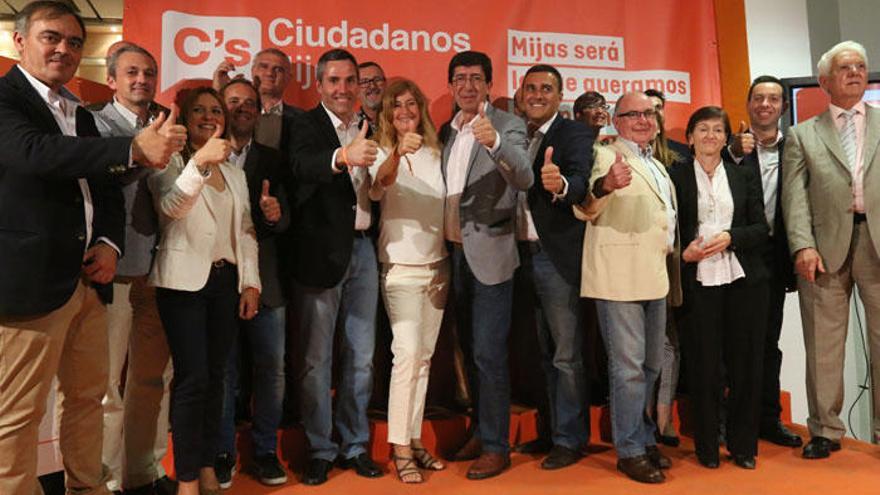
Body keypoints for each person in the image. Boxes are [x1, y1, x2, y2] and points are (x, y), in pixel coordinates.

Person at [0, 2, 182, 494]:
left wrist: (108, 243)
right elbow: (34, 154)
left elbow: (102, 187)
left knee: (86, 401)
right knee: (16, 415)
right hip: (31, 282)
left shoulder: (77, 112)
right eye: (51, 37)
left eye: (74, 42)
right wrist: (133, 148)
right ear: (20, 42)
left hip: (88, 281)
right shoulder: (5, 99)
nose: (64, 49)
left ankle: (88, 487)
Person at [148, 86, 261, 495]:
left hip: (225, 283)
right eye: (199, 109)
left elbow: (246, 230)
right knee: (193, 379)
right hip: (183, 283)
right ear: (185, 115)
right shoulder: (167, 158)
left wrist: (251, 282)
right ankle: (188, 478)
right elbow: (171, 208)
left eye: (216, 110)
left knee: (218, 380)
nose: (209, 116)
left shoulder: (235, 171)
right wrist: (198, 162)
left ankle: (210, 465)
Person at [287, 48, 382, 486]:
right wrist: (342, 157)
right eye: (334, 82)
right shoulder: (302, 124)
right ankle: (321, 449)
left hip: (365, 251)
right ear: (321, 85)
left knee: (361, 358)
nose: (342, 90)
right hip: (320, 255)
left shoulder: (373, 125)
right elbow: (299, 166)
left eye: (350, 82)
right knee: (315, 361)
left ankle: (356, 445)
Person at [783, 40, 880, 458]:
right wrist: (803, 245)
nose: (855, 72)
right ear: (824, 81)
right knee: (823, 342)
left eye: (860, 66)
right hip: (823, 250)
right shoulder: (802, 134)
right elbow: (795, 197)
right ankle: (825, 430)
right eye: (844, 68)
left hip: (877, 243)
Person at [575, 91, 678, 484]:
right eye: (632, 114)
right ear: (615, 121)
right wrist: (604, 186)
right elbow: (581, 205)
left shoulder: (656, 163)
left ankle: (644, 435)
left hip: (655, 275)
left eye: (648, 113)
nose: (642, 120)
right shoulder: (603, 154)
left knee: (651, 365)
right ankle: (630, 449)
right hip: (617, 277)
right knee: (629, 369)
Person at [90, 42, 177, 495]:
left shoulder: (167, 121)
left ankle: (145, 470)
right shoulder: (94, 122)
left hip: (160, 271)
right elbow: (99, 183)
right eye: (131, 73)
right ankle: (102, 479)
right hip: (115, 270)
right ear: (112, 80)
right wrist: (142, 154)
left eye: (148, 73)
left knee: (153, 379)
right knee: (106, 384)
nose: (141, 80)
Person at [441, 50, 532, 480]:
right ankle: (481, 428)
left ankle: (497, 446)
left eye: (476, 78)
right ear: (451, 86)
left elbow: (525, 176)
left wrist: (493, 140)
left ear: (490, 85)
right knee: (469, 353)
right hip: (454, 256)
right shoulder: (447, 131)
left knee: (489, 353)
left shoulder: (508, 124)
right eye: (459, 79)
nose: (468, 86)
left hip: (492, 254)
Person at [670, 106, 770, 469]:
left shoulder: (742, 175)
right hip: (697, 283)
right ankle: (707, 447)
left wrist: (731, 237)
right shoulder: (674, 175)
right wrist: (686, 253)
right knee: (704, 367)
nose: (710, 136)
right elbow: (666, 230)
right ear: (690, 137)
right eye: (703, 129)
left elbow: (761, 229)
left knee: (746, 366)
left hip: (743, 281)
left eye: (717, 130)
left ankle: (743, 447)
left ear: (726, 138)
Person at [366, 78, 449, 484]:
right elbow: (378, 185)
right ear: (386, 112)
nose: (404, 111)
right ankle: (399, 448)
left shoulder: (437, 150)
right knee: (406, 355)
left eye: (411, 103)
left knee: (424, 360)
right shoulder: (379, 150)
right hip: (400, 269)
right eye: (396, 105)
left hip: (439, 268)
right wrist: (398, 152)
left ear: (421, 108)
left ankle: (414, 438)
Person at [214, 79, 292, 488]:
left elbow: (287, 221)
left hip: (268, 281)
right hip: (216, 280)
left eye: (249, 103)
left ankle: (265, 452)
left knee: (270, 369)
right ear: (221, 108)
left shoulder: (274, 161)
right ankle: (223, 452)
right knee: (224, 371)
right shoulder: (205, 155)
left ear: (258, 112)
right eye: (233, 101)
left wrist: (274, 214)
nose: (242, 108)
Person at [517, 64, 593, 470]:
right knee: (541, 353)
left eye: (546, 88)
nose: (537, 94)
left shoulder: (573, 133)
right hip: (518, 257)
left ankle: (570, 439)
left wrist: (561, 185)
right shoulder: (516, 133)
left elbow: (580, 181)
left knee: (566, 354)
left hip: (555, 258)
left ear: (559, 95)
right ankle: (550, 432)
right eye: (530, 88)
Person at [725, 75, 803, 448]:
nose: (766, 105)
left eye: (773, 99)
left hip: (776, 259)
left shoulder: (797, 148)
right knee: (734, 341)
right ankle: (732, 421)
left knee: (769, 342)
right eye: (759, 98)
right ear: (749, 104)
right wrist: (735, 154)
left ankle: (768, 419)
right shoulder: (729, 148)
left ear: (783, 107)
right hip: (734, 255)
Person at [649, 108, 684, 448]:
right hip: (638, 268)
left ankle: (664, 417)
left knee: (669, 344)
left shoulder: (678, 160)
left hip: (676, 265)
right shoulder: (619, 157)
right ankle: (646, 419)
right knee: (644, 350)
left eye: (655, 113)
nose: (649, 120)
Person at [214, 47, 303, 153]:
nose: (270, 73)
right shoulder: (229, 108)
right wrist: (219, 94)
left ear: (289, 78)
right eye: (264, 66)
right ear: (253, 71)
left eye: (278, 69)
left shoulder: (302, 120)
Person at [645, 88, 691, 160]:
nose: (654, 111)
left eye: (658, 107)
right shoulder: (628, 153)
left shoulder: (683, 152)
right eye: (648, 108)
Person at [357, 61, 386, 132]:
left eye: (377, 79)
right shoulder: (349, 125)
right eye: (364, 82)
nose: (372, 86)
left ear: (385, 84)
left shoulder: (398, 120)